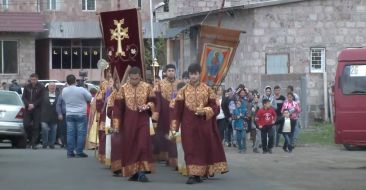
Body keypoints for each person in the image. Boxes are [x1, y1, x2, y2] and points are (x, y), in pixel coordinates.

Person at [170, 63, 228, 184]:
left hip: (204, 126)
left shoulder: (207, 89)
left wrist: (206, 111)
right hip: (188, 126)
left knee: (202, 150)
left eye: (195, 74)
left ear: (199, 74)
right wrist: (174, 128)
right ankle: (192, 174)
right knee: (189, 149)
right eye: (191, 74)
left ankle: (199, 174)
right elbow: (177, 111)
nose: (193, 76)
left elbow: (216, 107)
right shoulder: (183, 91)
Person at [111, 67, 155, 182]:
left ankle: (141, 172)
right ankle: (134, 172)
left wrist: (147, 106)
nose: (134, 81)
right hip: (128, 123)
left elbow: (153, 102)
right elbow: (117, 109)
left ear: (140, 77)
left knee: (142, 145)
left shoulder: (147, 87)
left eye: (136, 79)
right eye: (132, 79)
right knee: (130, 146)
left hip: (142, 121)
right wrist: (116, 125)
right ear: (129, 77)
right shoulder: (123, 89)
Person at [152, 64, 178, 167]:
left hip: (175, 113)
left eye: (173, 70)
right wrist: (156, 114)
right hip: (163, 114)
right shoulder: (159, 84)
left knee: (174, 135)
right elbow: (156, 100)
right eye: (169, 70)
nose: (171, 72)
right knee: (162, 135)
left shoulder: (179, 83)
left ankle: (174, 158)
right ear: (165, 72)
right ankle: (164, 156)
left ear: (175, 72)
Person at [62, 74, 92, 158]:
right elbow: (89, 97)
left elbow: (64, 99)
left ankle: (70, 152)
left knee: (70, 133)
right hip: (81, 113)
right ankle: (79, 151)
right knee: (81, 133)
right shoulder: (81, 89)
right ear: (75, 81)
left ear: (67, 81)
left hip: (69, 113)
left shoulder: (64, 90)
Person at [169, 81, 187, 176]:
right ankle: (182, 167)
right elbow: (172, 117)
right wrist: (172, 131)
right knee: (180, 148)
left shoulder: (189, 101)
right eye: (180, 91)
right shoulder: (173, 102)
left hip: (188, 127)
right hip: (178, 128)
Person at [22, 73, 45, 149]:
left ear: (37, 79)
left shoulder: (41, 87)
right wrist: (28, 104)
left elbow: (42, 98)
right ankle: (30, 140)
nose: (33, 81)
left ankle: (34, 143)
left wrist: (34, 105)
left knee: (36, 126)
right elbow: (24, 97)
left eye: (34, 79)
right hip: (28, 109)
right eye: (32, 79)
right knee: (26, 125)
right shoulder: (26, 86)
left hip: (37, 109)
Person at [40, 82, 59, 149]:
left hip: (54, 116)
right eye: (51, 86)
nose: (52, 87)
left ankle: (52, 144)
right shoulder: (43, 94)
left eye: (54, 86)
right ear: (48, 87)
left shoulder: (58, 95)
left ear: (55, 87)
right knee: (44, 129)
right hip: (44, 115)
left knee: (53, 131)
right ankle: (45, 143)